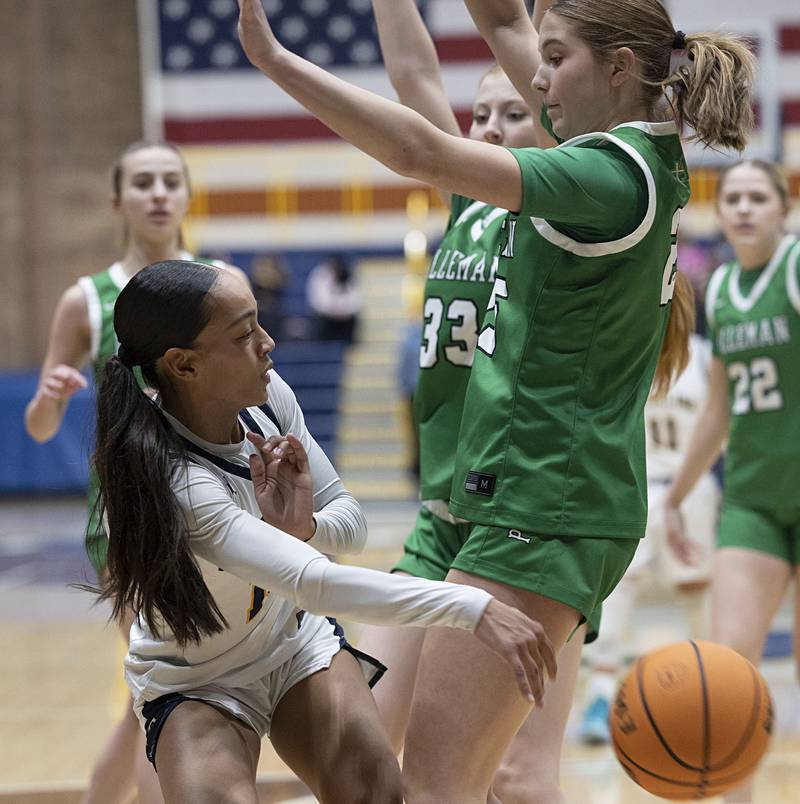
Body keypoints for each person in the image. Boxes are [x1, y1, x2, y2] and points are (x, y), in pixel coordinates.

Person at [236, 0, 754, 799]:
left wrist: (272, 61)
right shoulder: (619, 151)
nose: (536, 80)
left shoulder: (604, 175)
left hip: (545, 504)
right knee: (384, 765)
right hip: (502, 498)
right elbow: (505, 24)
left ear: (618, 70)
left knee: (453, 783)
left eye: (553, 64)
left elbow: (416, 146)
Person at [93, 259, 555, 803]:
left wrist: (304, 526)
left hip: (293, 644)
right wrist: (472, 607)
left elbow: (349, 524)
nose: (268, 344)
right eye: (244, 334)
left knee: (376, 790)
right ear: (183, 365)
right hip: (197, 679)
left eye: (259, 323)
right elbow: (318, 583)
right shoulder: (178, 480)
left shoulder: (266, 402)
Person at [357, 3, 586, 803]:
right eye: (479, 114)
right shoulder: (465, 203)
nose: (486, 129)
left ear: (552, 120)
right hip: (442, 514)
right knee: (358, 745)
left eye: (511, 114)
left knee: (516, 780)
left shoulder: (563, 218)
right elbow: (416, 75)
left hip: (521, 521)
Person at [23, 140, 246, 804]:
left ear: (185, 194)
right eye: (142, 182)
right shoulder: (87, 300)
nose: (157, 193)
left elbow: (255, 391)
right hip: (129, 522)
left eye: (169, 180)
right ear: (118, 200)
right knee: (167, 689)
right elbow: (38, 426)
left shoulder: (220, 283)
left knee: (150, 689)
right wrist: (52, 397)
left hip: (214, 511)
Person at [664, 159, 799, 803]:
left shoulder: (795, 268)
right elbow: (717, 407)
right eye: (733, 197)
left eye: (758, 197)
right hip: (752, 498)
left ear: (783, 209)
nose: (743, 208)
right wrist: (677, 493)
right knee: (729, 678)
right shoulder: (717, 291)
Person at [578, 331, 720, 745]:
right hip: (635, 485)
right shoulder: (627, 341)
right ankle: (601, 696)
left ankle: (710, 689)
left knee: (696, 587)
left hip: (691, 487)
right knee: (616, 588)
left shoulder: (705, 355)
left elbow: (721, 420)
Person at [305, 253, 362, 343]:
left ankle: (349, 346)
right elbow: (319, 303)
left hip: (345, 318)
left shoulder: (349, 276)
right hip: (327, 318)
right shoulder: (321, 275)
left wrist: (342, 310)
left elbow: (355, 302)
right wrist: (335, 310)